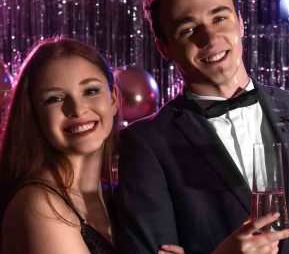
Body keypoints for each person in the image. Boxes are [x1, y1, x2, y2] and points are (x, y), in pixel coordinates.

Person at [116, 0, 289, 253]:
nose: (210, 37)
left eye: (220, 18)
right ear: (164, 47)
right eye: (189, 29)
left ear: (241, 23)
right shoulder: (146, 144)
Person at [0, 37, 186, 254]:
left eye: (90, 91)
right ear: (33, 114)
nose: (77, 110)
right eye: (55, 99)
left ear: (114, 98)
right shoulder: (40, 206)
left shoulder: (115, 196)